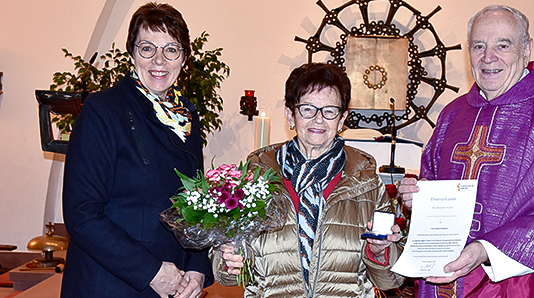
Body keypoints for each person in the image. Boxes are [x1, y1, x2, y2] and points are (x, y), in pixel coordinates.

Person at [398, 5, 534, 298]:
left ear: (526, 49)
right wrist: (418, 198)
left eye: (503, 45)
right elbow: (436, 189)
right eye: (479, 46)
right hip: (446, 276)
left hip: (520, 280)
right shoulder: (453, 115)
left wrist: (485, 249)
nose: (489, 58)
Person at [210, 63, 404, 297]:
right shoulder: (255, 177)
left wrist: (380, 252)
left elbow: (390, 280)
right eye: (308, 109)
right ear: (291, 115)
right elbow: (226, 276)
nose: (319, 119)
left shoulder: (367, 182)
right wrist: (229, 261)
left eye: (330, 110)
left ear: (342, 119)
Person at [61, 3, 213, 298]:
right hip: (109, 284)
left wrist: (197, 267)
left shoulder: (187, 119)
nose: (159, 60)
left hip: (173, 285)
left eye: (171, 49)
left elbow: (197, 205)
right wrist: (151, 271)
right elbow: (82, 214)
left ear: (184, 58)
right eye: (147, 48)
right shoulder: (103, 110)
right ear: (132, 53)